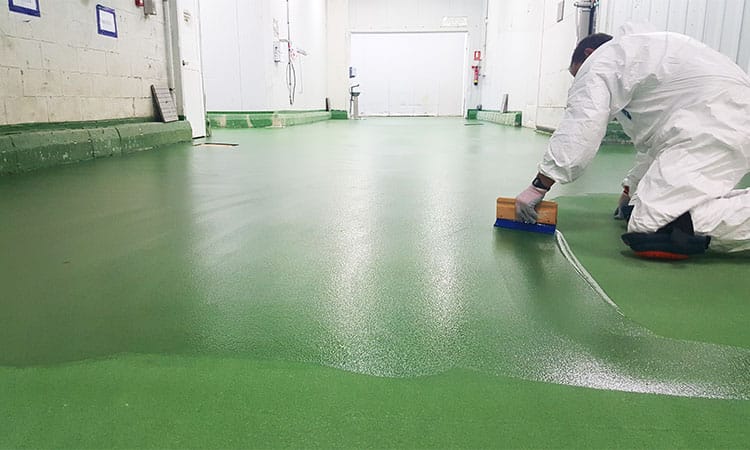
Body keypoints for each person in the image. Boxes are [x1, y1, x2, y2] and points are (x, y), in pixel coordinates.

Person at [515, 27, 750, 258]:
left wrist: (539, 185)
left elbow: (581, 125)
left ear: (589, 54)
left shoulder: (604, 59)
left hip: (716, 123)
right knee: (637, 209)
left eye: (579, 74)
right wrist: (630, 189)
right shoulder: (644, 58)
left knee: (652, 226)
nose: (580, 81)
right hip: (720, 118)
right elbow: (653, 145)